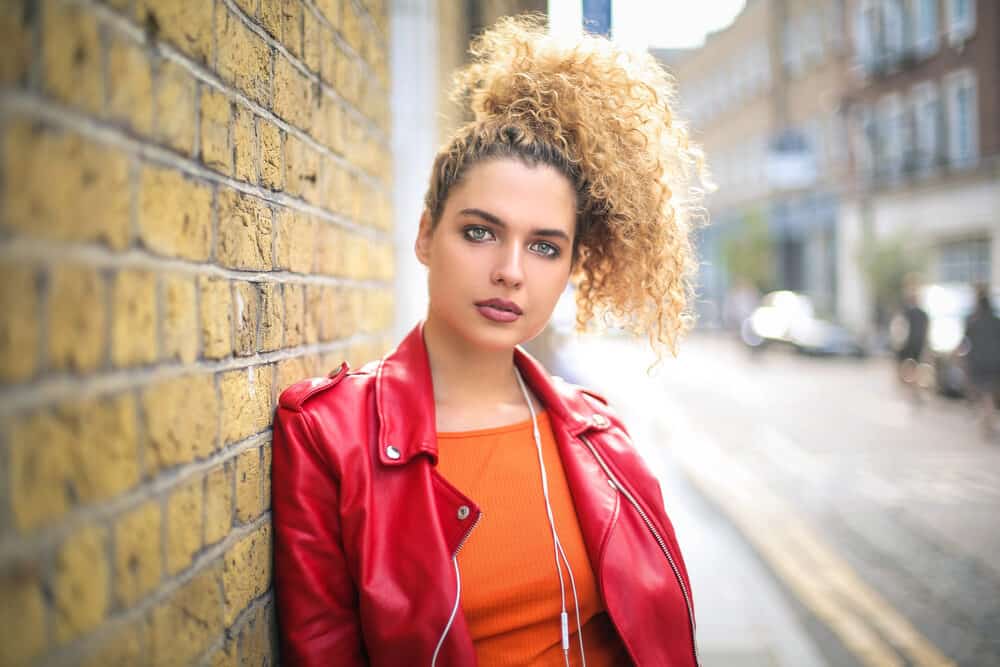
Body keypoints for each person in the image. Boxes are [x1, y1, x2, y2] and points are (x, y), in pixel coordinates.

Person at [272, 15, 704, 666]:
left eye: (544, 246)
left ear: (571, 267)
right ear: (425, 236)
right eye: (480, 231)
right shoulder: (327, 433)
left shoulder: (601, 437)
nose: (511, 269)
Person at [963, 284, 1000, 440]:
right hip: (995, 361)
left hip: (978, 362)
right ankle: (988, 423)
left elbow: (965, 343)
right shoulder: (996, 321)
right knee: (989, 394)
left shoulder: (972, 320)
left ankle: (987, 424)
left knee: (984, 394)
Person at [890, 276, 930, 405]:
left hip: (911, 345)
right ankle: (914, 391)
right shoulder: (911, 312)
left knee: (912, 369)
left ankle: (914, 391)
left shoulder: (911, 312)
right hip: (911, 344)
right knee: (912, 369)